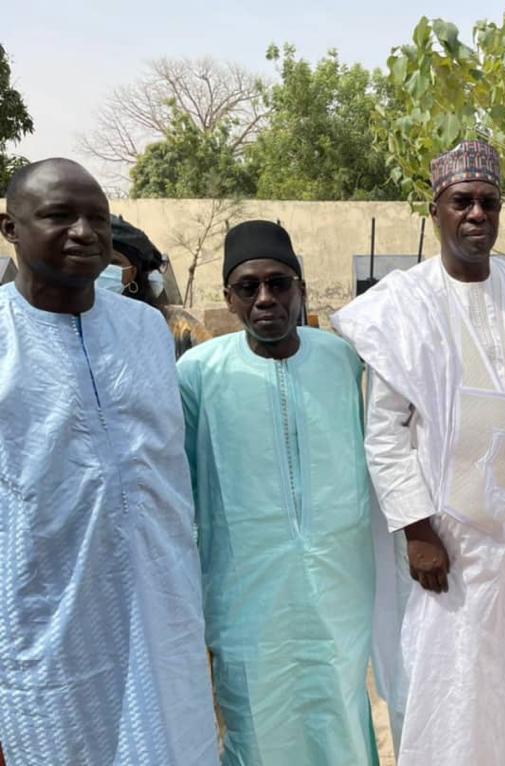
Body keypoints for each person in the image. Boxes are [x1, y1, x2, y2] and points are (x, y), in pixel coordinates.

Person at [332, 139, 505, 766]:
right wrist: (418, 530)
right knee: (452, 683)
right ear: (435, 210)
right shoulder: (402, 307)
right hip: (451, 544)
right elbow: (386, 430)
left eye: (488, 203)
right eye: (462, 202)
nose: (477, 215)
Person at [0, 158, 218, 765]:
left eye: (97, 218)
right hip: (44, 624)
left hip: (164, 608)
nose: (84, 232)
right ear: (10, 228)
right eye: (59, 215)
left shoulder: (147, 330)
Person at [177, 220, 378, 766]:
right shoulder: (197, 372)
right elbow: (182, 483)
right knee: (254, 715)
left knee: (338, 701)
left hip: (338, 580)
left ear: (301, 289)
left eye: (279, 283)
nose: (266, 298)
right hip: (243, 586)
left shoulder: (344, 361)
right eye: (249, 287)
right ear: (229, 298)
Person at [97, 215, 211, 358]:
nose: (101, 269)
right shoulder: (73, 325)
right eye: (95, 259)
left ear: (132, 273)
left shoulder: (177, 326)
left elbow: (211, 369)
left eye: (113, 262)